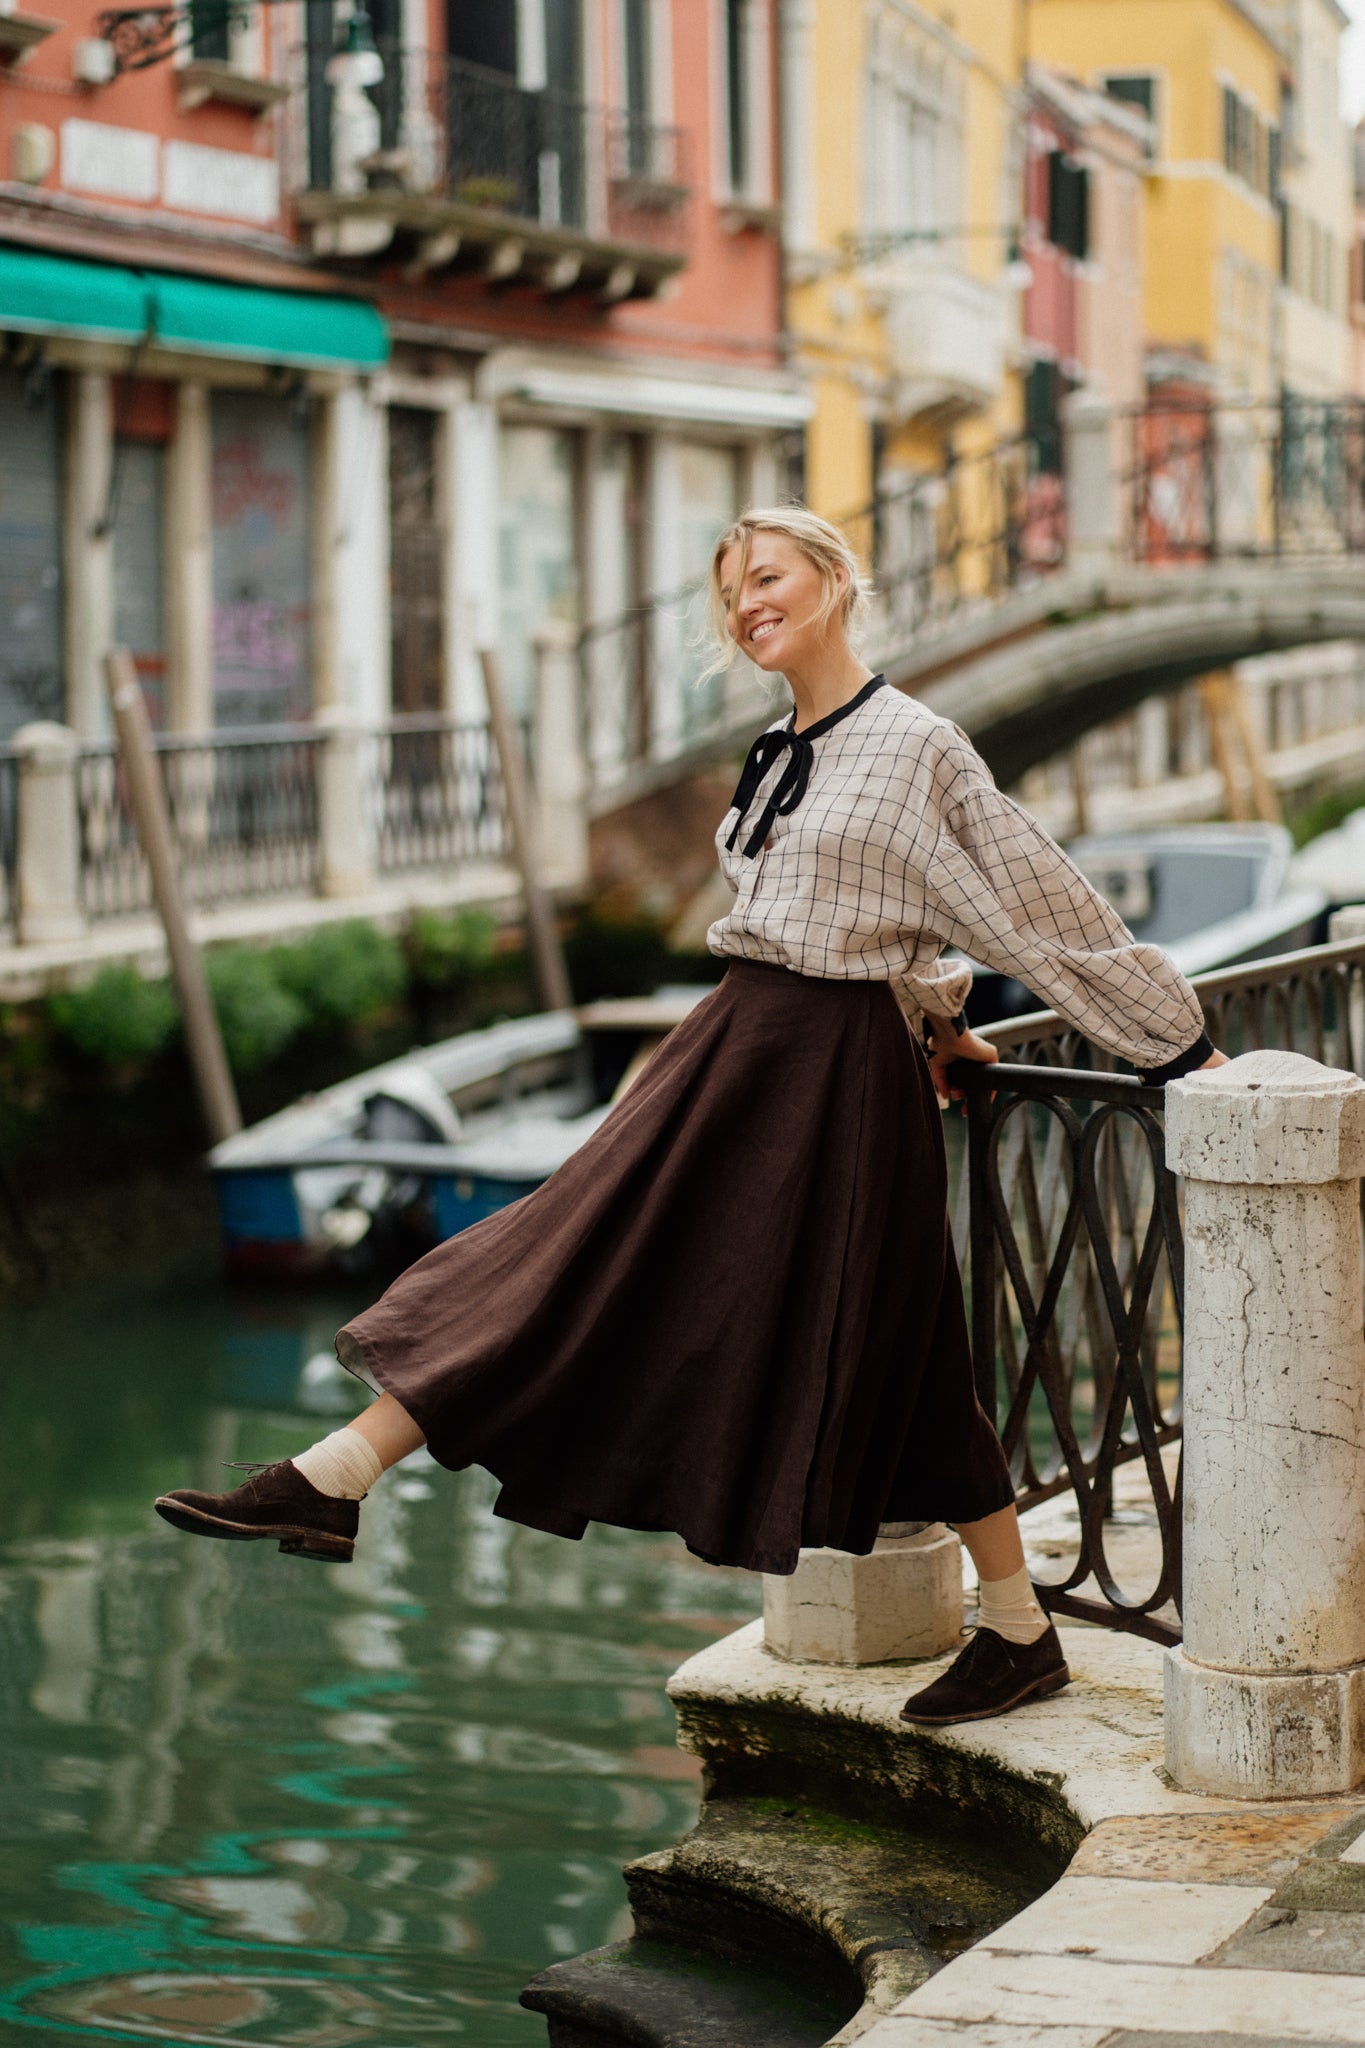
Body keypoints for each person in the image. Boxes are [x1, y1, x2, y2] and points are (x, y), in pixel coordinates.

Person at [155, 507, 1225, 1727]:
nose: (747, 604)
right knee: (591, 1256)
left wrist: (1180, 1043)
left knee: (664, 1279)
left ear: (833, 580)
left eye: (767, 578)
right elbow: (884, 911)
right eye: (731, 590)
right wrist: (937, 1016)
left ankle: (336, 1472)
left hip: (823, 1073)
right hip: (745, 1044)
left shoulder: (919, 741)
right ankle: (1023, 1627)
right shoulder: (776, 746)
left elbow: (1028, 898)